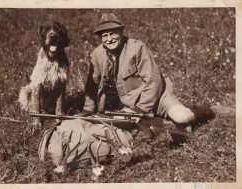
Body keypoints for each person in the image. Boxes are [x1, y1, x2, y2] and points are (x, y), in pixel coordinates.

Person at [82, 13, 210, 132]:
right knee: (119, 125)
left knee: (182, 117)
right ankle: (160, 120)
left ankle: (204, 112)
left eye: (113, 34)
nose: (109, 39)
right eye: (105, 35)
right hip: (130, 103)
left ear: (121, 32)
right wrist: (88, 109)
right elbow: (92, 84)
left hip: (159, 96)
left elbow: (154, 81)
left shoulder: (137, 48)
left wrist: (139, 109)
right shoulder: (97, 53)